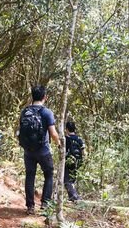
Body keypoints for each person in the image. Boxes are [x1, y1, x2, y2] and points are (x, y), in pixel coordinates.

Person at [17, 84, 61, 215]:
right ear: (45, 97)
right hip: (43, 150)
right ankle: (45, 204)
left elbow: (19, 131)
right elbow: (53, 133)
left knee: (30, 176)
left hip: (28, 151)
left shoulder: (25, 111)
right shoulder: (47, 112)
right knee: (49, 174)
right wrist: (59, 143)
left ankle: (30, 206)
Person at [64, 119, 85, 202]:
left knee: (66, 180)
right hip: (77, 161)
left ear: (67, 129)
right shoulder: (79, 139)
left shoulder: (66, 139)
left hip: (68, 161)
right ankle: (72, 197)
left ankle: (75, 197)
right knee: (72, 179)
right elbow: (83, 151)